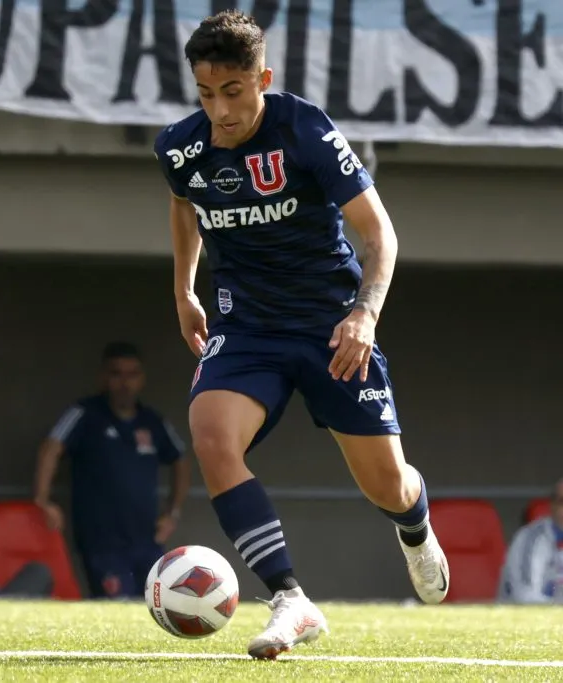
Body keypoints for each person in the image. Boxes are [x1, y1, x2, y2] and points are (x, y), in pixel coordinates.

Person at [153, 11, 448, 659]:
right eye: (206, 95)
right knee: (210, 434)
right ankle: (289, 596)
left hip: (332, 326)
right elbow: (183, 200)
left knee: (386, 485)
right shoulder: (181, 147)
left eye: (232, 92)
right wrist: (183, 289)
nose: (220, 110)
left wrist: (364, 314)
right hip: (248, 325)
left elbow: (380, 235)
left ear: (262, 79)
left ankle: (415, 521)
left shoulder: (305, 129)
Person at [34, 342, 190, 599]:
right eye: (116, 374)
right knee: (116, 610)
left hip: (147, 539)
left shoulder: (153, 421)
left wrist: (172, 512)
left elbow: (180, 460)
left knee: (158, 607)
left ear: (142, 379)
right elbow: (50, 449)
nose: (124, 383)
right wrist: (42, 499)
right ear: (103, 377)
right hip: (101, 541)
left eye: (132, 374)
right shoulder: (85, 414)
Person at [499, 478, 563, 604]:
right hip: (517, 619)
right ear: (552, 505)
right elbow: (525, 595)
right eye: (562, 502)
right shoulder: (531, 539)